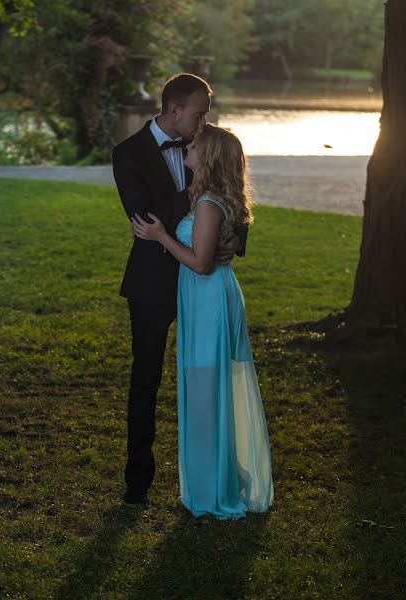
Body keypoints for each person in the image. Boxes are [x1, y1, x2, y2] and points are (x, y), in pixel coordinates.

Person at [112, 73, 244, 506]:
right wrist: (196, 194)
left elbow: (232, 198)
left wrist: (229, 242)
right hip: (153, 282)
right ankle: (138, 479)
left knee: (211, 376)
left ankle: (218, 468)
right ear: (174, 110)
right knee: (146, 378)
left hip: (201, 285)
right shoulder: (128, 154)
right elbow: (144, 218)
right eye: (200, 112)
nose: (205, 121)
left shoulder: (205, 148)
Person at [132, 123, 273, 519]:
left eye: (194, 145)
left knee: (207, 390)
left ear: (207, 156)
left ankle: (213, 490)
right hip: (205, 298)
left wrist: (161, 236)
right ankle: (214, 478)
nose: (187, 148)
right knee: (207, 389)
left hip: (209, 299)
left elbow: (198, 262)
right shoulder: (206, 200)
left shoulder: (209, 203)